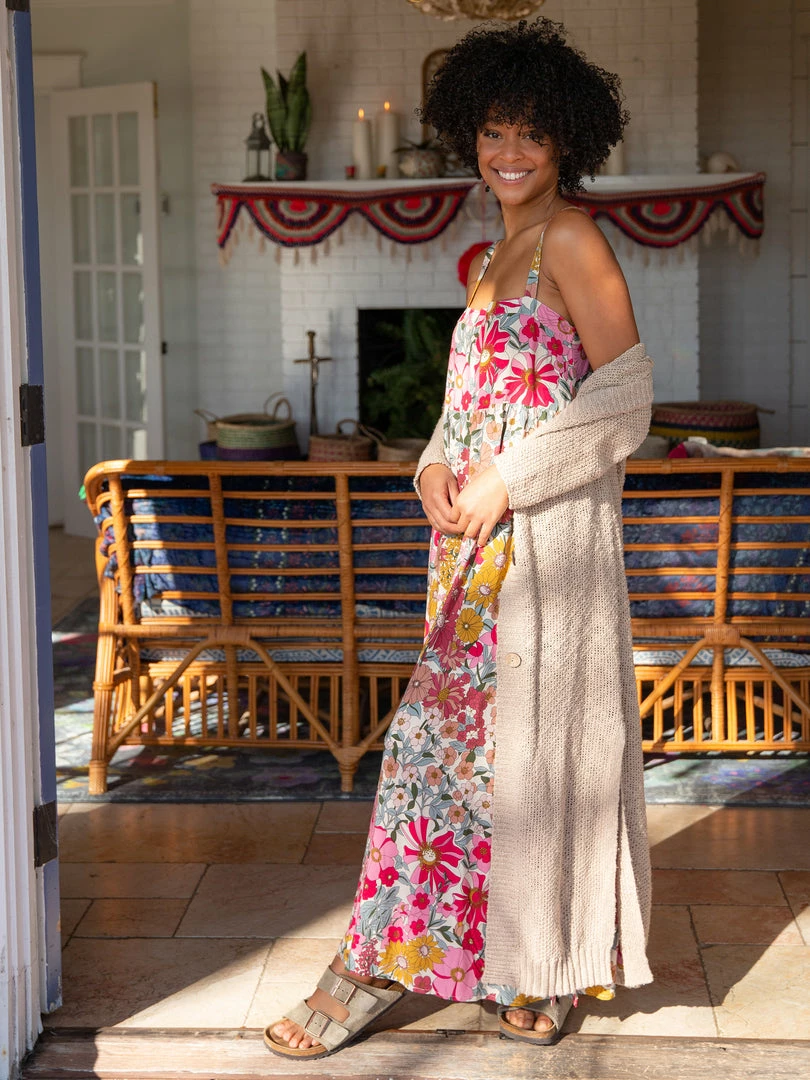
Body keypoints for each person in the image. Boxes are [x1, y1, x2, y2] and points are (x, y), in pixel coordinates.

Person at [265, 18, 654, 1061]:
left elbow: (626, 400)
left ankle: (523, 964)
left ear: (566, 140)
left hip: (545, 552)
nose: (509, 152)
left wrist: (505, 480)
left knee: (527, 763)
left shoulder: (572, 239)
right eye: (492, 132)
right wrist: (434, 464)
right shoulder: (489, 260)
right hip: (472, 554)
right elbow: (474, 406)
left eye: (530, 132)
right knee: (456, 762)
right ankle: (421, 960)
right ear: (468, 138)